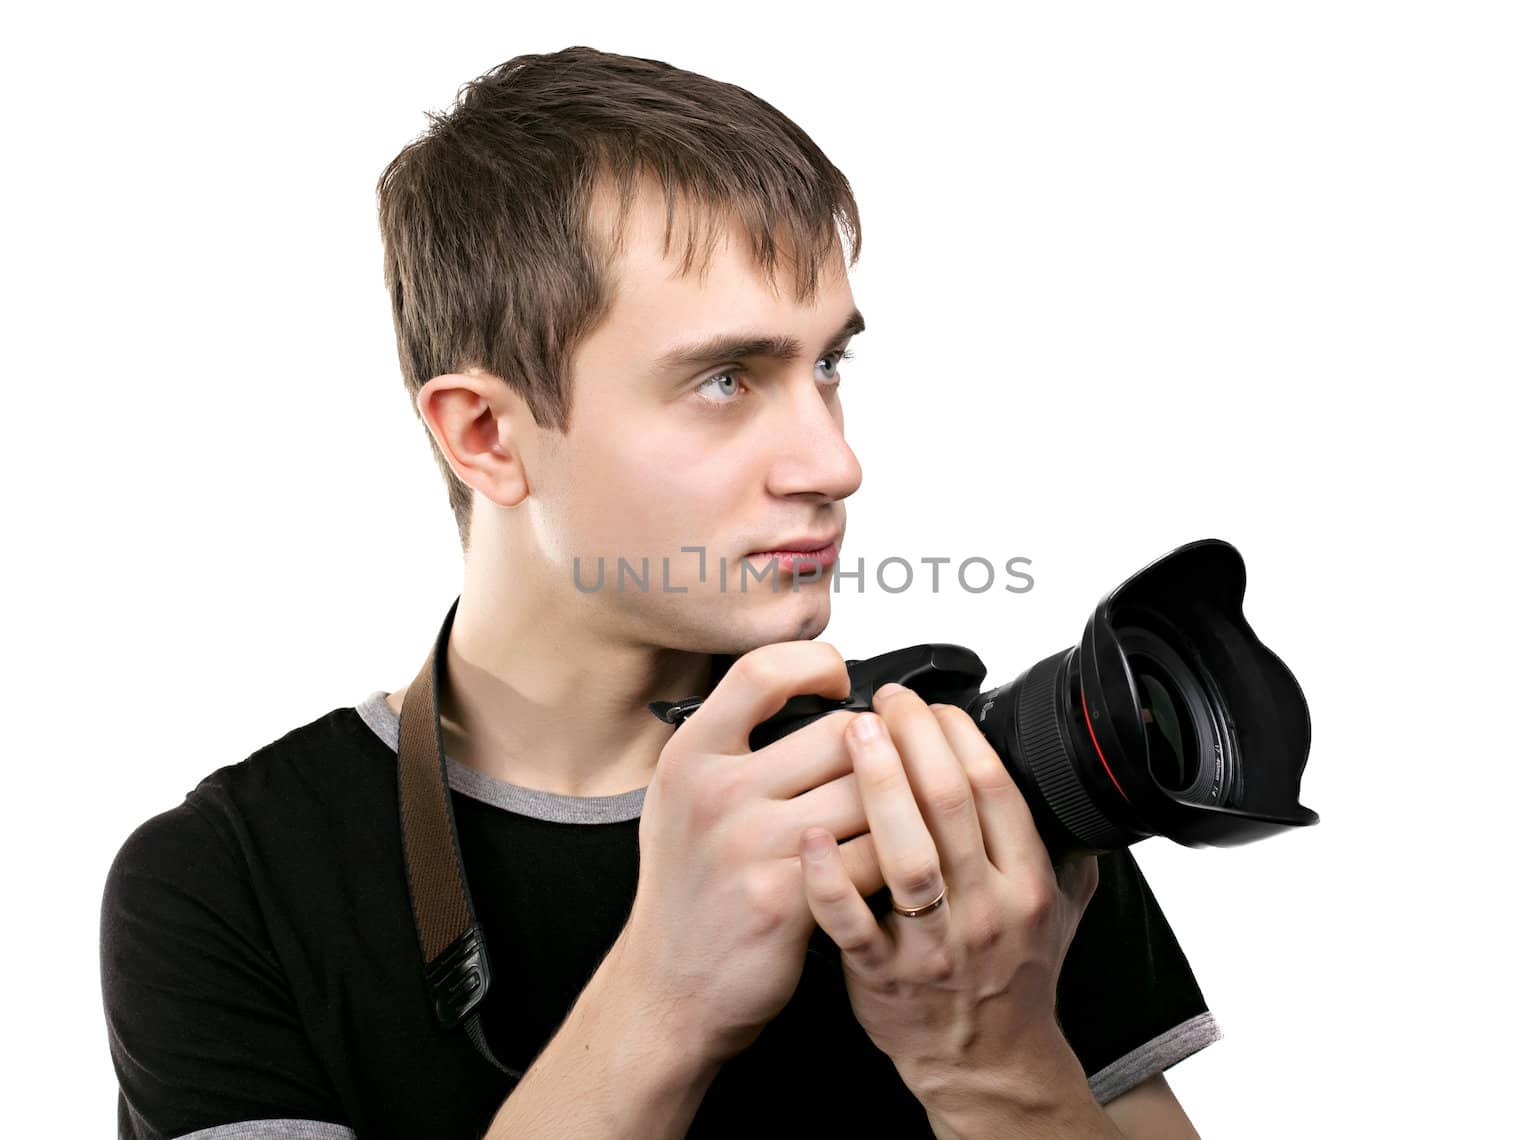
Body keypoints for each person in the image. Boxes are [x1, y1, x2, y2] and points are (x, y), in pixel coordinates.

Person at [99, 46, 1219, 1139]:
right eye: (726, 379)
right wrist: (665, 999)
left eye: (829, 365)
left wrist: (1000, 1070)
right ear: (485, 434)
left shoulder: (951, 771)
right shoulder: (227, 883)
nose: (833, 463)